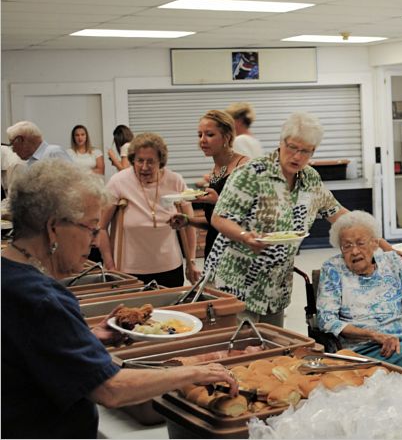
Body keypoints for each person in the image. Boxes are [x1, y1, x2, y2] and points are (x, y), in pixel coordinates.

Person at [1, 159, 238, 439]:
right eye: (91, 227)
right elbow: (111, 389)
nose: (94, 240)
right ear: (53, 228)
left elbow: (29, 347)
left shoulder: (10, 272)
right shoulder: (41, 298)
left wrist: (85, 336)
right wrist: (196, 372)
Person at [205, 111, 347, 327]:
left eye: (305, 151)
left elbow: (336, 213)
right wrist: (245, 236)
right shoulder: (252, 173)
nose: (297, 156)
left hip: (275, 287)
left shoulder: (310, 179)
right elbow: (220, 218)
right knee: (237, 351)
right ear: (281, 142)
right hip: (236, 283)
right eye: (292, 147)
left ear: (313, 151)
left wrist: (381, 243)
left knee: (272, 349)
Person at [317, 211, 402, 371]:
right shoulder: (333, 269)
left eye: (360, 243)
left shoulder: (392, 262)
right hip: (362, 348)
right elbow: (326, 320)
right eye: (347, 246)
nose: (354, 251)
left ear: (375, 244)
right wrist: (374, 335)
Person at [96, 132, 198, 287]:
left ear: (161, 162)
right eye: (139, 161)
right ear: (132, 160)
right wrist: (110, 266)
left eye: (151, 162)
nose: (144, 167)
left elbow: (190, 224)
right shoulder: (118, 182)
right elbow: (101, 227)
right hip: (129, 270)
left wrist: (191, 260)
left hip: (170, 267)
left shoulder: (175, 181)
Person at [169, 110, 250, 260]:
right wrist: (187, 220)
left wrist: (218, 201)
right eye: (200, 135)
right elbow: (214, 222)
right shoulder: (215, 172)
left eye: (209, 135)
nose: (202, 140)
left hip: (237, 255)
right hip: (213, 251)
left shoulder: (244, 167)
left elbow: (251, 218)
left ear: (227, 137)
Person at [7, 120, 72, 165]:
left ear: (22, 140)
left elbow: (74, 180)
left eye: (13, 144)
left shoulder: (54, 153)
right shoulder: (31, 161)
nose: (13, 150)